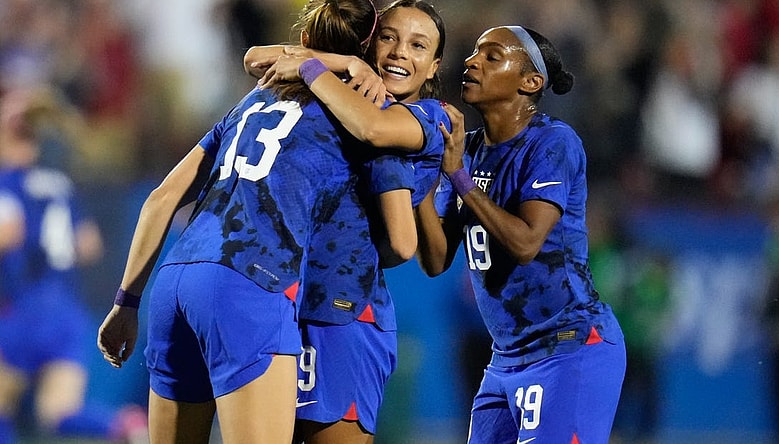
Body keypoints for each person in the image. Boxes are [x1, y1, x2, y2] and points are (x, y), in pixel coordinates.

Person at [95, 1, 381, 443]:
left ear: (303, 42)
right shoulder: (355, 114)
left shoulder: (252, 101)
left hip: (175, 282)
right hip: (251, 282)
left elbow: (161, 198)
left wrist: (125, 302)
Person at [243, 1, 448, 442]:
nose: (397, 53)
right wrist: (344, 62)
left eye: (417, 45)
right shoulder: (346, 100)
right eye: (389, 38)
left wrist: (358, 256)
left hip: (346, 315)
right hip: (291, 308)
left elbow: (405, 245)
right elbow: (256, 57)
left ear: (434, 67)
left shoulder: (423, 118)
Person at [413, 26, 626, 443]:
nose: (472, 62)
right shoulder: (467, 149)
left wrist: (457, 176)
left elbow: (527, 243)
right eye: (474, 52)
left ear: (531, 82)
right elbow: (436, 260)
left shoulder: (551, 143)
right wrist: (420, 178)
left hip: (568, 345)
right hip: (505, 358)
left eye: (492, 57)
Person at [0, 88, 147, 444]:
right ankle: (125, 427)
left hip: (22, 311)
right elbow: (88, 244)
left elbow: (8, 233)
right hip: (66, 314)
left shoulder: (8, 183)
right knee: (59, 412)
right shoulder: (60, 185)